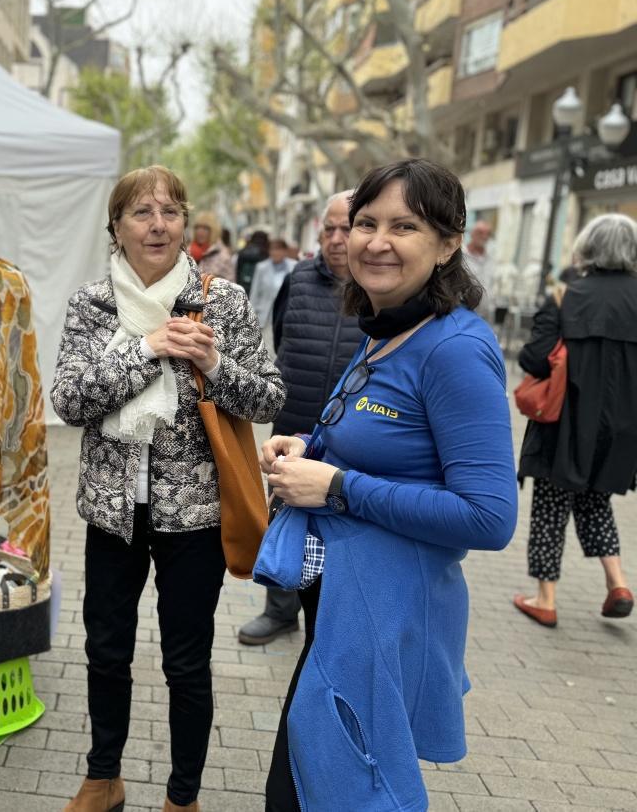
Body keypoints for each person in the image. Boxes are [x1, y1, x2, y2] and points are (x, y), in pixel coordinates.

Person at [255, 158, 516, 812]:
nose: (375, 240)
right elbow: (382, 440)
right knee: (309, 779)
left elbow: (490, 517)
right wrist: (309, 449)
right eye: (366, 222)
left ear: (449, 243)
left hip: (384, 614)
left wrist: (337, 486)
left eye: (404, 225)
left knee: (339, 788)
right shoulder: (388, 328)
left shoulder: (454, 347)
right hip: (345, 605)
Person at [52, 165, 285, 812]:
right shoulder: (91, 305)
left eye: (170, 211)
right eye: (141, 213)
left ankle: (183, 797)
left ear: (186, 223)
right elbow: (69, 401)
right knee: (105, 651)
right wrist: (147, 348)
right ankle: (104, 777)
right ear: (116, 228)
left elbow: (268, 395)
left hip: (197, 519)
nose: (157, 225)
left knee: (186, 663)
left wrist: (212, 362)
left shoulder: (224, 302)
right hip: (111, 513)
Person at [238, 191, 363, 646]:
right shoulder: (300, 277)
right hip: (294, 419)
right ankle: (279, 609)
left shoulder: (378, 287)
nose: (335, 238)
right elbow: (280, 332)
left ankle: (332, 621)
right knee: (284, 513)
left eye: (346, 228)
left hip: (351, 431)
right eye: (328, 228)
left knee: (339, 519)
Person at [513, 213, 637, 627]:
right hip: (620, 426)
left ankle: (545, 599)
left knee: (551, 506)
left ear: (588, 247)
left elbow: (532, 357)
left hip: (563, 423)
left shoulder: (569, 296)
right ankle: (617, 582)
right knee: (595, 500)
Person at [248, 238, 296, 330]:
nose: (275, 253)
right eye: (272, 249)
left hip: (286, 316)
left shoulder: (294, 267)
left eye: (279, 249)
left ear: (285, 251)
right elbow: (254, 293)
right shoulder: (261, 267)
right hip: (264, 317)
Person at [463, 219, 496, 325]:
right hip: (464, 315)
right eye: (480, 233)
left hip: (485, 318)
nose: (484, 237)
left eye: (488, 234)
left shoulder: (491, 259)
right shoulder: (461, 257)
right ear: (472, 234)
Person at [188, 210, 234, 279]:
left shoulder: (223, 256)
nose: (200, 232)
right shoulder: (187, 252)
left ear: (213, 231)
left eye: (205, 228)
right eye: (197, 227)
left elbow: (231, 286)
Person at [235, 229, 269, 294]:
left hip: (244, 283)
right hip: (260, 286)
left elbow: (238, 269)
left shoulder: (244, 251)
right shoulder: (265, 253)